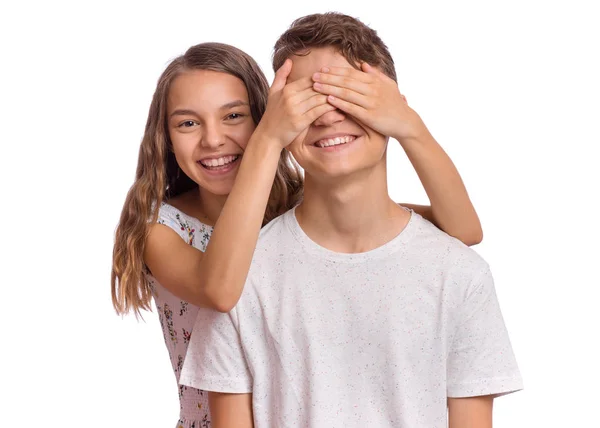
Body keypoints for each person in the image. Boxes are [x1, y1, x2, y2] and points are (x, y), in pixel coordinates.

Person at [111, 38, 483, 427]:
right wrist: (269, 140)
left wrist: (409, 126)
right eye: (188, 123)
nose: (214, 139)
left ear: (264, 114)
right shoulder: (158, 228)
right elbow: (220, 290)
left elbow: (462, 231)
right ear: (166, 139)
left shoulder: (297, 210)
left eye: (234, 116)